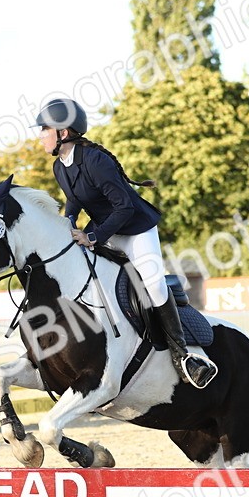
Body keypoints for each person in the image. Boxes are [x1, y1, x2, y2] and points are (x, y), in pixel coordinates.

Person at [35, 97, 217, 388]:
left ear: (64, 133)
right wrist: (68, 223)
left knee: (153, 284)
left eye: (45, 129)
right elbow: (74, 200)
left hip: (135, 230)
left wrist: (92, 236)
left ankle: (183, 356)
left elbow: (125, 208)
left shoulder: (96, 160)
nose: (40, 135)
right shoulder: (60, 166)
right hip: (105, 229)